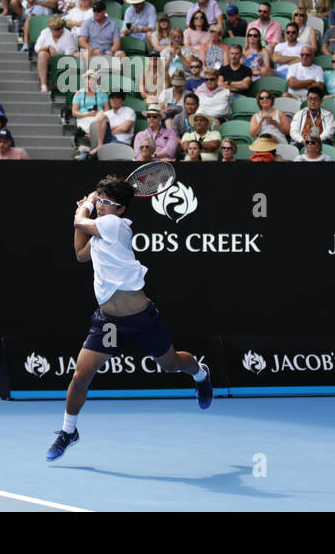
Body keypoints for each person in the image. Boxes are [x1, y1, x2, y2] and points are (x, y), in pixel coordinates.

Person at [48, 177, 212, 460]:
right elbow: (79, 254)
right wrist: (88, 208)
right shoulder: (101, 233)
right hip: (108, 322)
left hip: (140, 319)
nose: (101, 206)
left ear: (121, 209)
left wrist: (85, 205)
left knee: (171, 365)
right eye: (100, 201)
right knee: (80, 376)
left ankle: (200, 373)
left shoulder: (114, 225)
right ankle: (68, 431)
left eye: (107, 203)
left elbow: (79, 223)